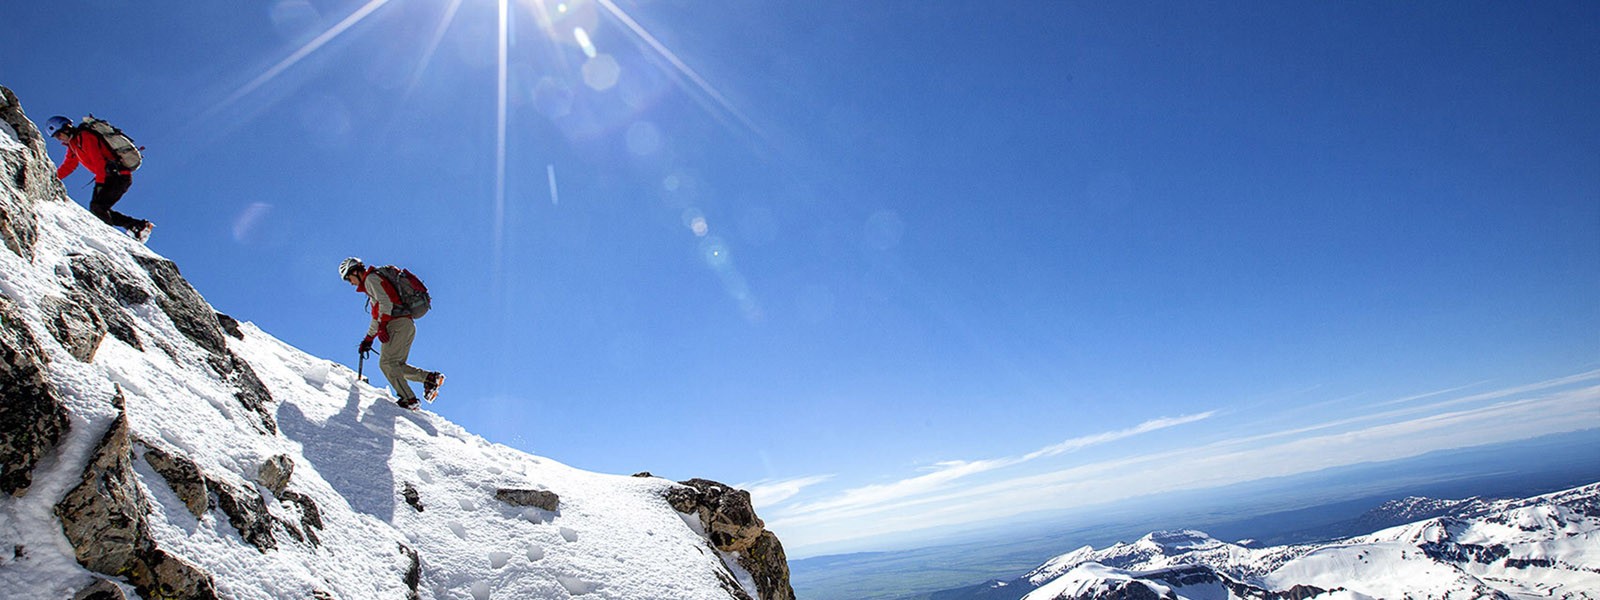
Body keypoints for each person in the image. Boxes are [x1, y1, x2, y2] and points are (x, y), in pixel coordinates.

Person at [340, 257, 443, 409]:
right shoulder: (372, 282)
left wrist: (382, 327)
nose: (351, 283)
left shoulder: (370, 279)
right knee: (395, 365)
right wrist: (368, 339)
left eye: (349, 278)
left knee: (386, 363)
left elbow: (385, 303)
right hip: (406, 325)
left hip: (397, 324)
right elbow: (377, 314)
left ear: (355, 271)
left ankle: (409, 400)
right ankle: (429, 378)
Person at [44, 115, 153, 240]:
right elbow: (69, 166)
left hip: (118, 176)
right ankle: (137, 226)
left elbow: (99, 161)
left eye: (58, 135)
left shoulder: (85, 136)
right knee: (98, 208)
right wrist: (52, 178)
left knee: (97, 207)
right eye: (56, 137)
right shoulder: (73, 146)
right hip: (109, 177)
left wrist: (100, 184)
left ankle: (112, 237)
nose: (59, 139)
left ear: (66, 128)